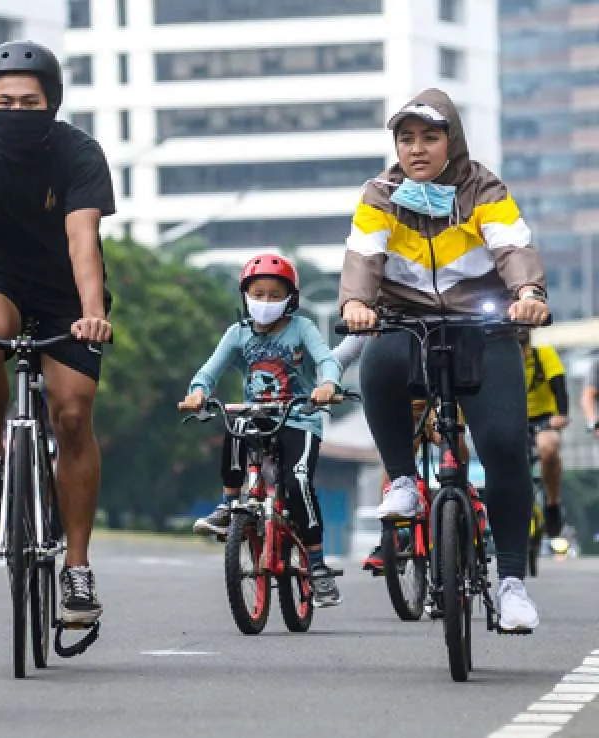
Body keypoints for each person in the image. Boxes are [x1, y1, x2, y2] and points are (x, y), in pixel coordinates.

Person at [339, 88, 550, 632]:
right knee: (379, 363)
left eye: (430, 137)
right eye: (406, 138)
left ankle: (510, 584)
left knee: (505, 446)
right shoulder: (381, 193)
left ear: (451, 140)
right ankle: (404, 481)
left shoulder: (485, 188)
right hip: (407, 320)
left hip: (482, 326)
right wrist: (357, 303)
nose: (417, 149)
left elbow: (513, 246)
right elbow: (364, 253)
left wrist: (527, 293)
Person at [0, 40, 115, 627]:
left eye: (30, 101)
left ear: (52, 103)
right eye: (5, 100)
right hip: (1, 281)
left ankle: (78, 568)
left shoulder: (79, 154)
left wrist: (92, 313)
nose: (17, 109)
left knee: (71, 414)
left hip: (67, 292)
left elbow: (82, 242)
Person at [181, 254, 344, 607]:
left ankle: (316, 566)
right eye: (258, 294)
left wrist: (327, 384)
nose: (266, 302)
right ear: (245, 296)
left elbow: (326, 360)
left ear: (290, 298)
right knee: (236, 424)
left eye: (274, 295)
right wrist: (198, 393)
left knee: (298, 480)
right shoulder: (237, 333)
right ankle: (228, 506)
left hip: (299, 417)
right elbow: (210, 371)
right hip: (257, 414)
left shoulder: (303, 328)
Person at [334, 335, 472, 573]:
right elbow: (343, 352)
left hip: (442, 395)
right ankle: (392, 536)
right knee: (394, 460)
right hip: (402, 401)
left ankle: (463, 494)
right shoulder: (383, 309)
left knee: (452, 439)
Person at [520, 335, 569, 536]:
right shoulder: (498, 358)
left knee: (549, 447)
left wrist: (561, 415)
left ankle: (552, 503)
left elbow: (560, 387)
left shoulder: (543, 354)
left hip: (544, 419)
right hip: (513, 419)